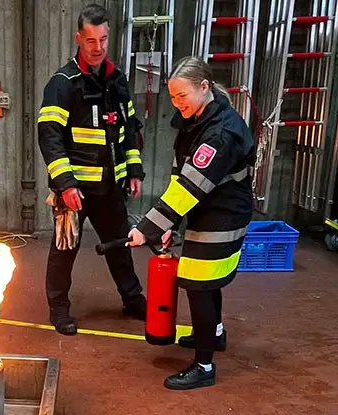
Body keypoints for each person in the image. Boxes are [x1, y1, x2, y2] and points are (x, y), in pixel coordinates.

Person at [128, 57, 255, 390]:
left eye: (182, 95)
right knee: (207, 280)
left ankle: (204, 365)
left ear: (204, 87)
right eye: (172, 96)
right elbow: (179, 174)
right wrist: (170, 223)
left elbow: (190, 187)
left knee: (197, 282)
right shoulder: (193, 118)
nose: (176, 103)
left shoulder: (221, 133)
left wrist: (147, 227)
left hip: (224, 212)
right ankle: (214, 334)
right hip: (208, 208)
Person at [38, 4, 146, 336]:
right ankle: (59, 309)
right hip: (75, 192)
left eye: (103, 40)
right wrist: (66, 184)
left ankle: (132, 300)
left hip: (111, 188)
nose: (98, 48)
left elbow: (129, 129)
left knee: (120, 246)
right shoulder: (63, 83)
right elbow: (49, 136)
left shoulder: (117, 80)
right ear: (78, 39)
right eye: (90, 41)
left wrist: (134, 171)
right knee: (64, 250)